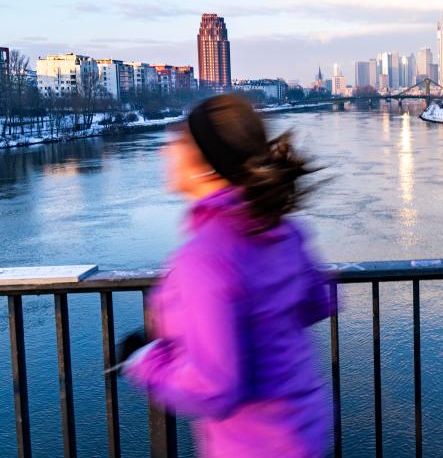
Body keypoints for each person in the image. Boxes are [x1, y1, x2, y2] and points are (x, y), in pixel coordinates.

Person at [120, 93, 334, 457]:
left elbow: (215, 388)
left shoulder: (203, 258)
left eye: (178, 140)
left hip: (253, 445)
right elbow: (318, 301)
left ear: (206, 165)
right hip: (305, 429)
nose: (163, 151)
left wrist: (146, 360)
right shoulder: (281, 228)